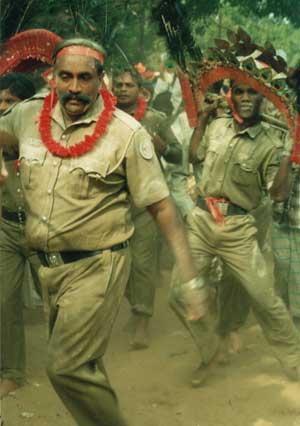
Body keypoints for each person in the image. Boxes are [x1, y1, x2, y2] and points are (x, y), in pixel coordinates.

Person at [0, 38, 205, 426]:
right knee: (84, 367)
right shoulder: (27, 116)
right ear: (53, 78)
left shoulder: (126, 133)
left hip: (98, 265)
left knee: (64, 366)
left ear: (100, 81)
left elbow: (161, 207)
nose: (74, 88)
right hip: (48, 269)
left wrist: (191, 279)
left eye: (84, 78)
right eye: (66, 77)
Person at [169, 81, 300, 387]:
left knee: (264, 298)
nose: (243, 98)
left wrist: (288, 153)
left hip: (239, 228)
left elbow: (278, 194)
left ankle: (294, 360)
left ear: (263, 97)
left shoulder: (273, 139)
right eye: (238, 91)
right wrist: (202, 122)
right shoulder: (218, 126)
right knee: (178, 292)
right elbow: (195, 156)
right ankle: (212, 351)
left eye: (251, 92)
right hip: (201, 221)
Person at [112, 67, 182, 349]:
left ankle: (142, 321)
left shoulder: (155, 119)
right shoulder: (103, 119)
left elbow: (179, 155)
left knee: (142, 264)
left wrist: (160, 144)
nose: (123, 89)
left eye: (129, 85)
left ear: (140, 91)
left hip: (147, 202)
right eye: (118, 84)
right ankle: (137, 306)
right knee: (118, 266)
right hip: (113, 202)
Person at [0, 73, 42, 398]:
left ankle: (76, 364)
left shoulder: (45, 139)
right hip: (5, 229)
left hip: (43, 230)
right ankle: (12, 371)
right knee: (4, 300)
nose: (2, 108)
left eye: (9, 102)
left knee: (61, 300)